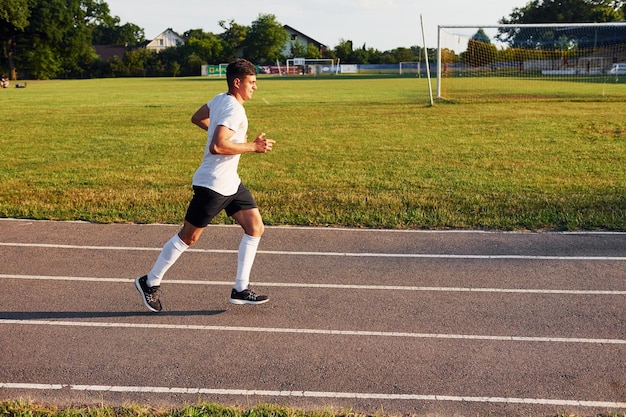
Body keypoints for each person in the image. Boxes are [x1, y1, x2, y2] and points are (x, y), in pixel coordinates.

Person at [135, 58, 275, 312]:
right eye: (252, 82)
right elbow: (218, 146)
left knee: (255, 227)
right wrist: (253, 147)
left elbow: (198, 117)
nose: (255, 87)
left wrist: (216, 133)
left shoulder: (221, 99)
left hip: (230, 182)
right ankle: (149, 281)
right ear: (237, 82)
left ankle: (240, 289)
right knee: (189, 237)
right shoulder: (234, 109)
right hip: (213, 185)